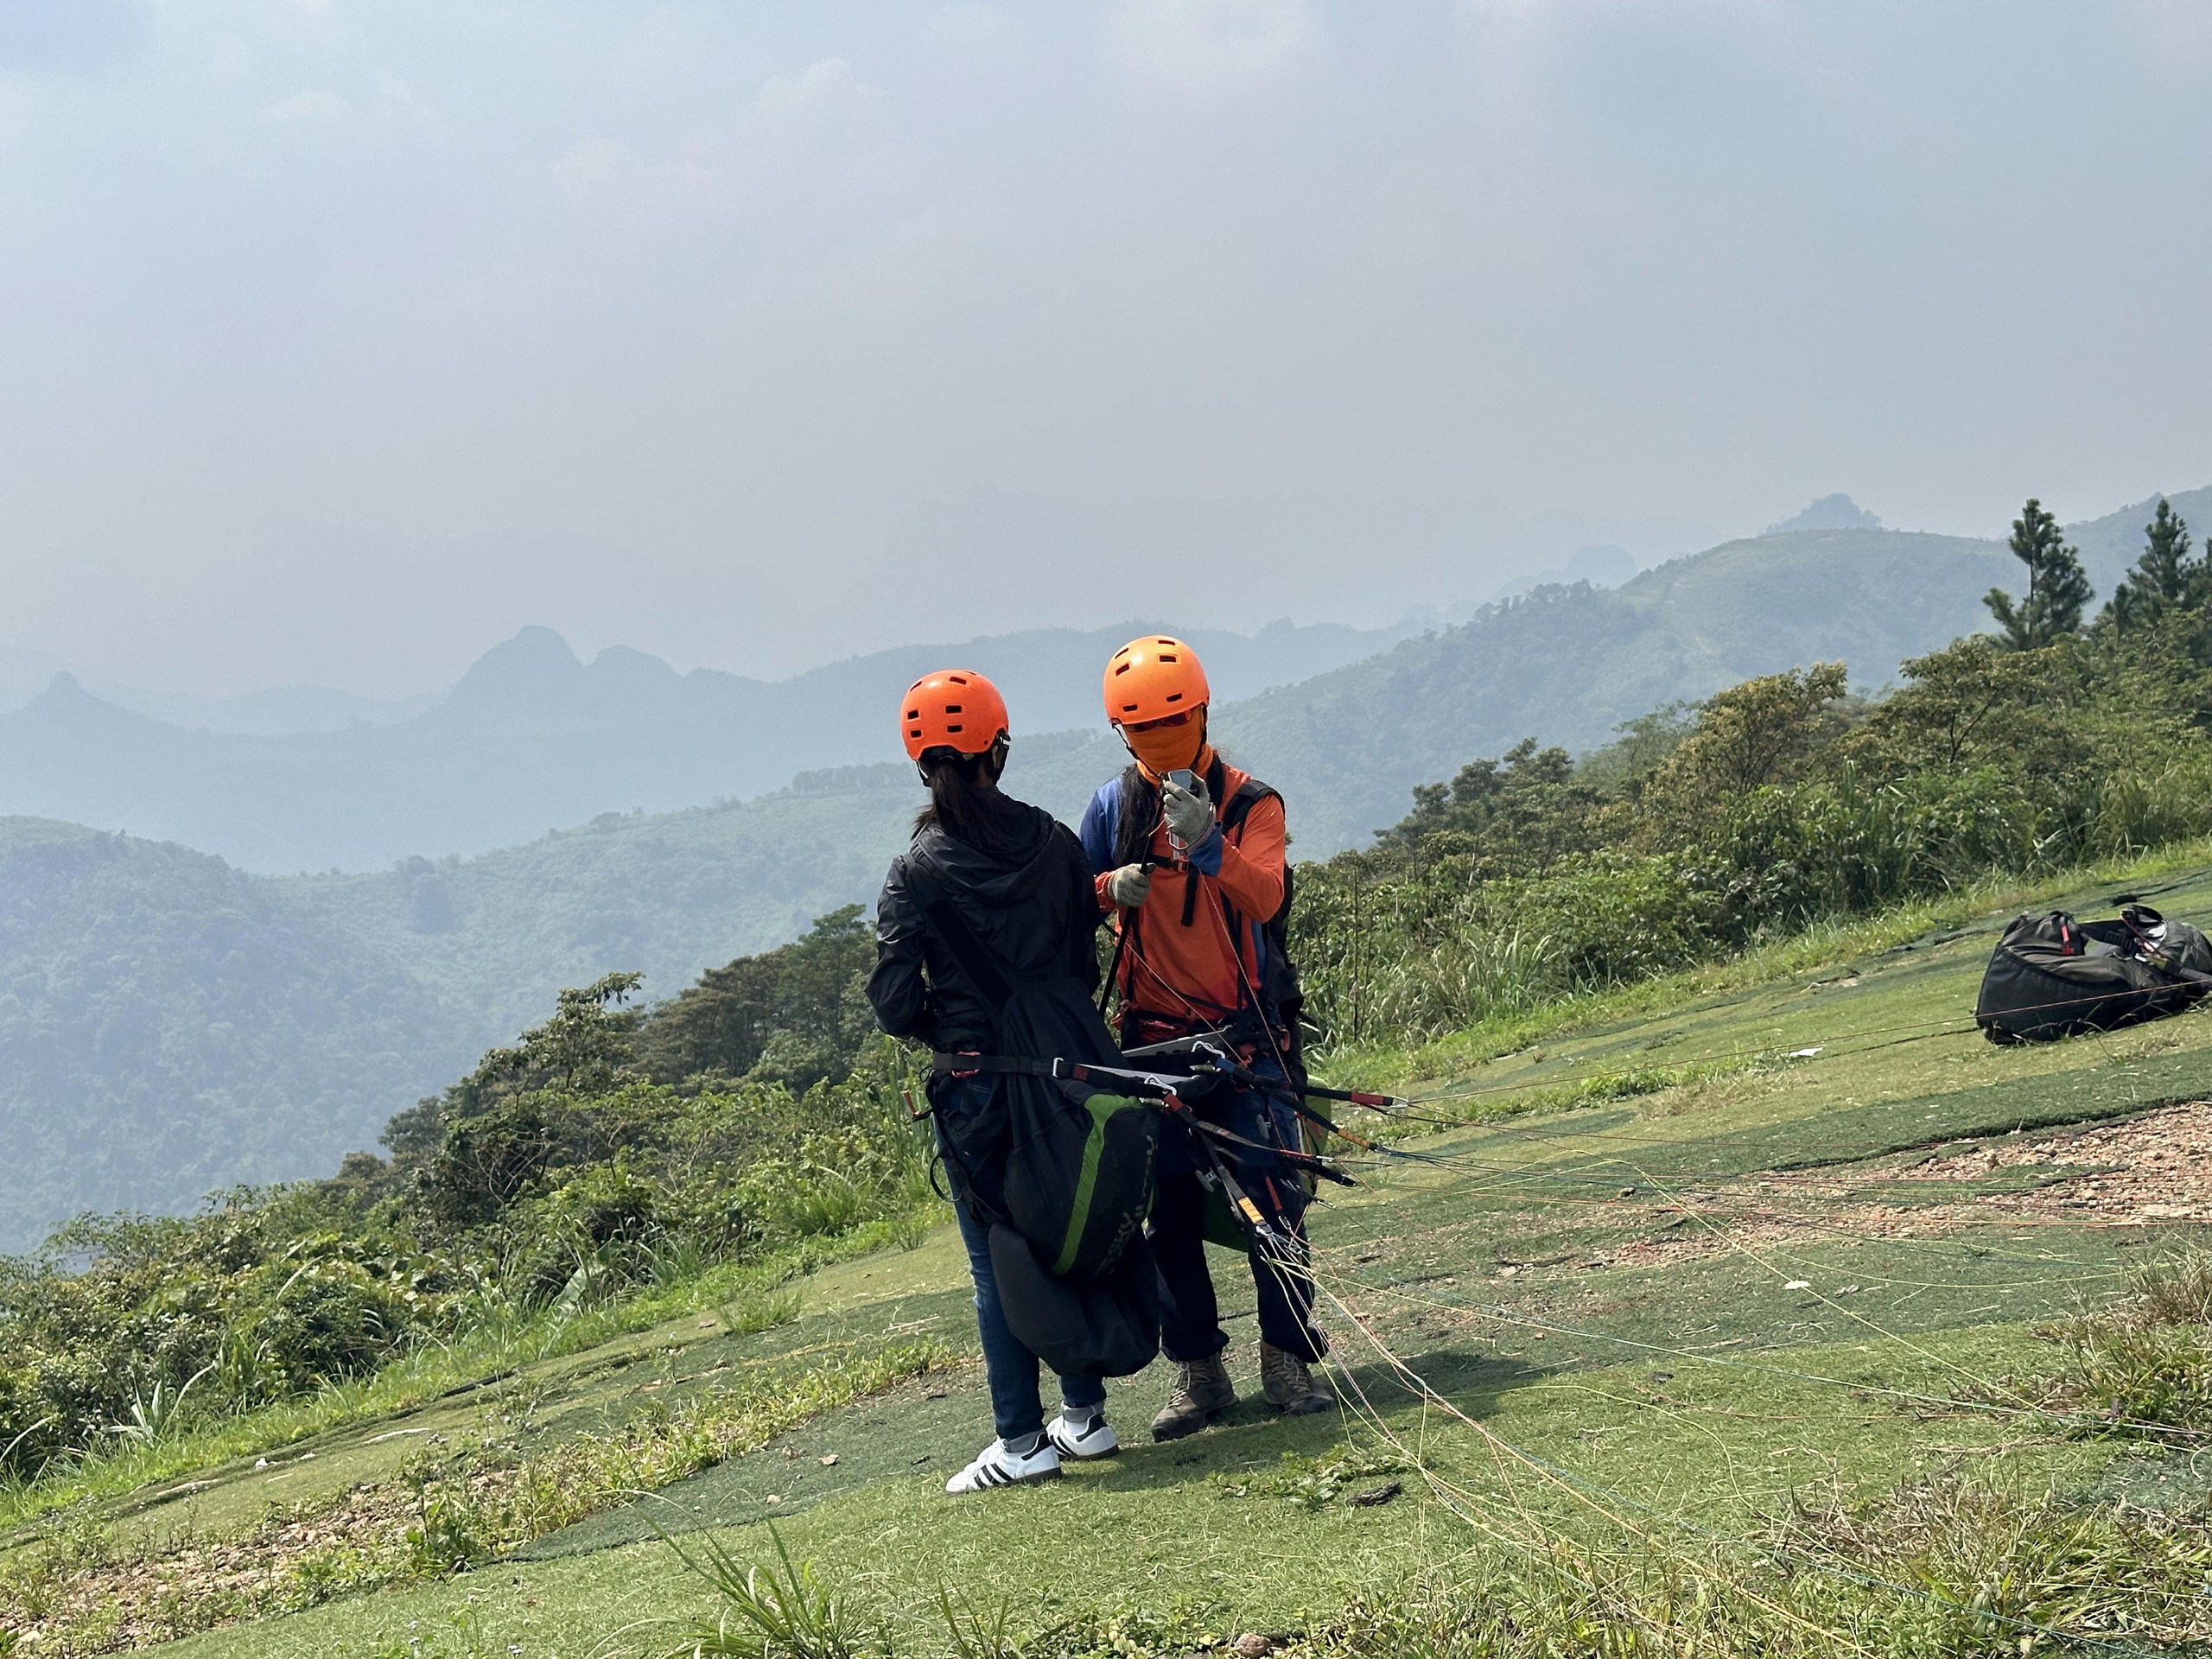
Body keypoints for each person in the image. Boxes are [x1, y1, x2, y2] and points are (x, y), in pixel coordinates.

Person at [868, 669, 1122, 1493]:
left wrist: (960, 1028)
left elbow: (896, 1002)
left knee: (998, 1260)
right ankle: (1083, 1418)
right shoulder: (1054, 843)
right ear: (999, 748)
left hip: (977, 1087)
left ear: (920, 763)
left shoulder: (916, 873)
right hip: (1071, 1070)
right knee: (1066, 1230)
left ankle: (1019, 1439)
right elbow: (1082, 962)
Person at [1078, 635, 1333, 1440]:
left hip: (1245, 1039)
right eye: (1142, 730)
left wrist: (1211, 846)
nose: (1157, 742)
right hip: (1153, 1045)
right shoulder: (1114, 810)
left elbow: (1265, 898)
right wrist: (1102, 887)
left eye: (1170, 724)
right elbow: (1067, 908)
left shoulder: (1253, 803)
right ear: (1123, 733)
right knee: (1169, 1216)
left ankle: (1287, 1361)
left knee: (1275, 1203)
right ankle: (1199, 1374)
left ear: (1200, 714)